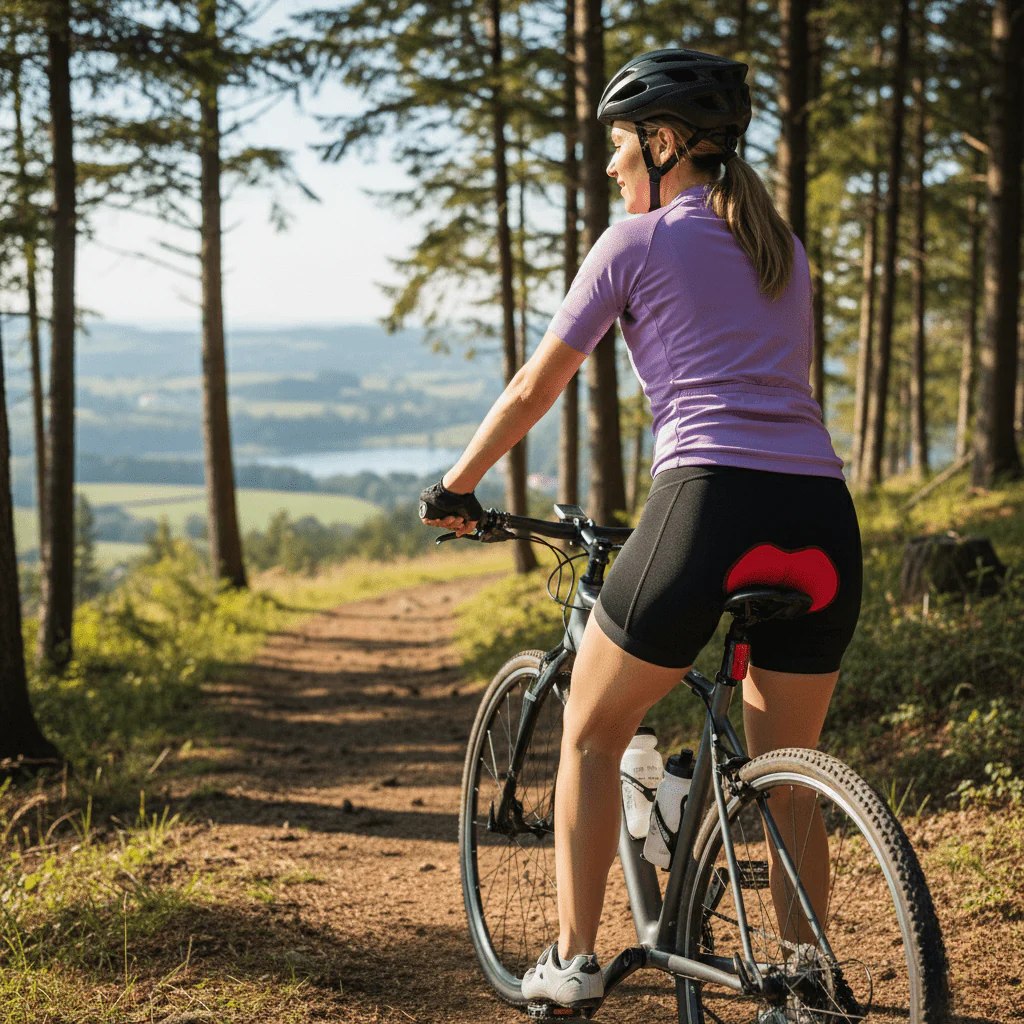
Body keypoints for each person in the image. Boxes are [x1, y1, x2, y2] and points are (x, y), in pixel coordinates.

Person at [419, 47, 862, 1011]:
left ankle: (575, 960)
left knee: (589, 725)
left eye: (622, 148)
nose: (612, 168)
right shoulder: (783, 250)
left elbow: (537, 385)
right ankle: (805, 984)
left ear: (664, 146)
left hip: (711, 503)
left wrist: (456, 486)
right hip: (824, 522)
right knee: (789, 784)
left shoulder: (636, 243)